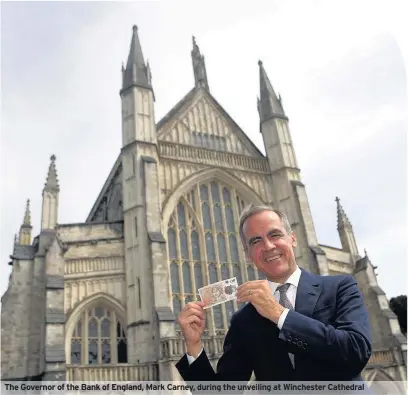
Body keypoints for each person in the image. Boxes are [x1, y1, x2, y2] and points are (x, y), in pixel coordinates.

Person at [176, 205, 372, 382]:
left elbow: (356, 352)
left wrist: (278, 314)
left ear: (292, 239)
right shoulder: (244, 320)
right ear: (248, 254)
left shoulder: (340, 286)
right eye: (256, 241)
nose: (268, 246)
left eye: (275, 235)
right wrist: (194, 346)